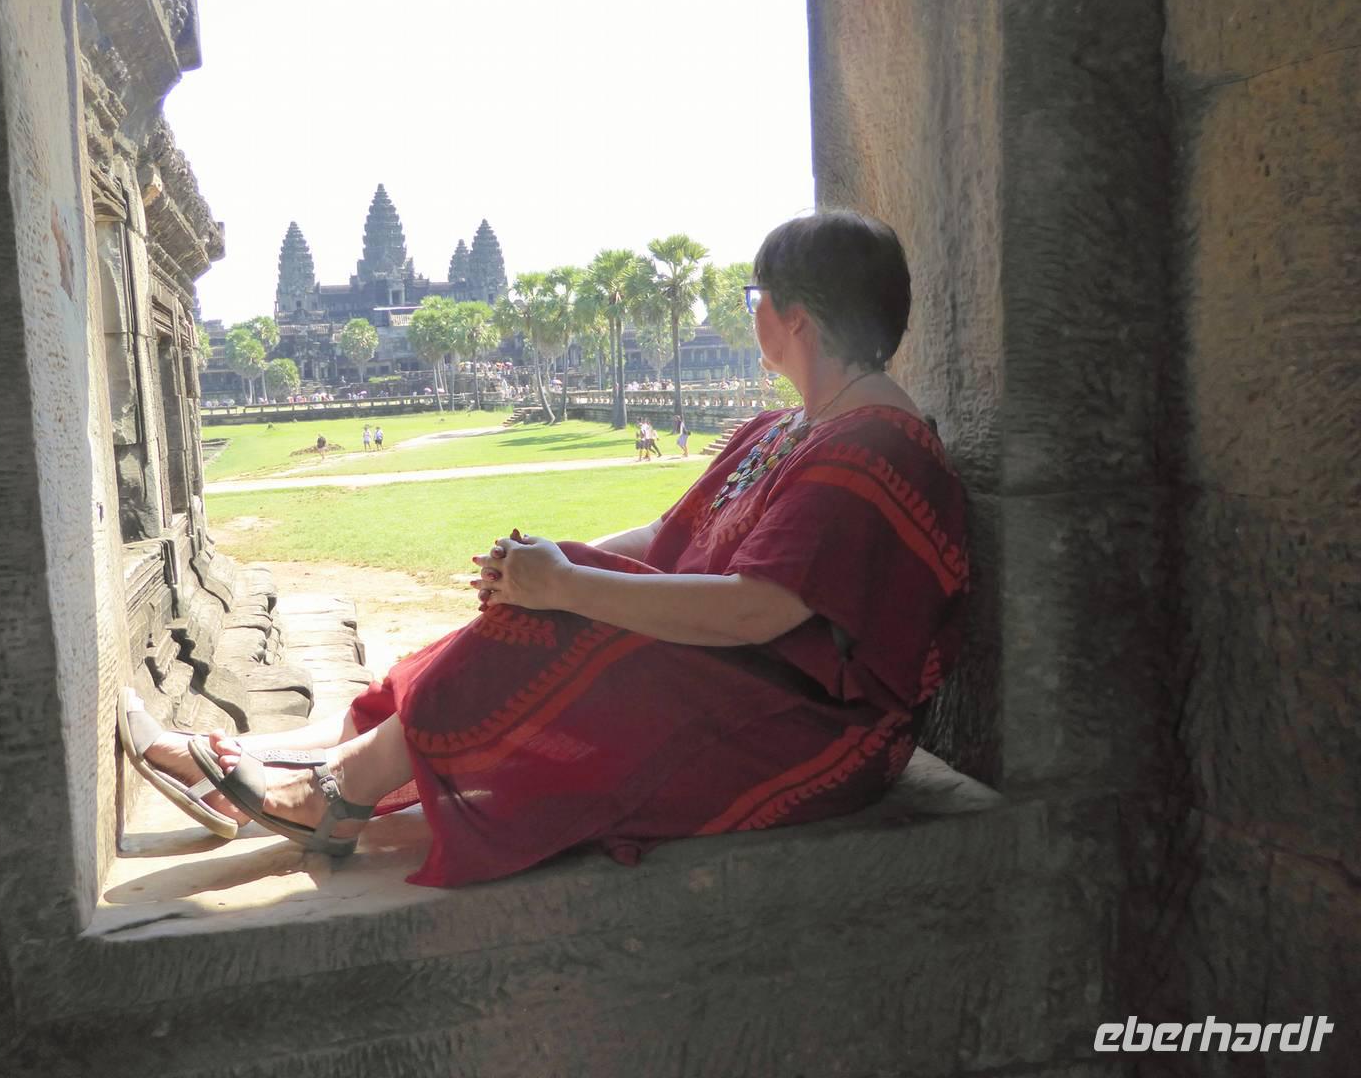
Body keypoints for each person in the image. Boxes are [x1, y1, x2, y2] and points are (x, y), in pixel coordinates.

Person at [122, 209, 970, 889]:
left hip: (804, 729)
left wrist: (566, 589)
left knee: (560, 622)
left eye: (755, 299)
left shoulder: (873, 449)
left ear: (793, 315)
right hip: (732, 677)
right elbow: (671, 538)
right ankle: (303, 757)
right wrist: (555, 564)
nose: (753, 315)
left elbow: (758, 608)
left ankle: (337, 791)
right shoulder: (788, 428)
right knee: (546, 600)